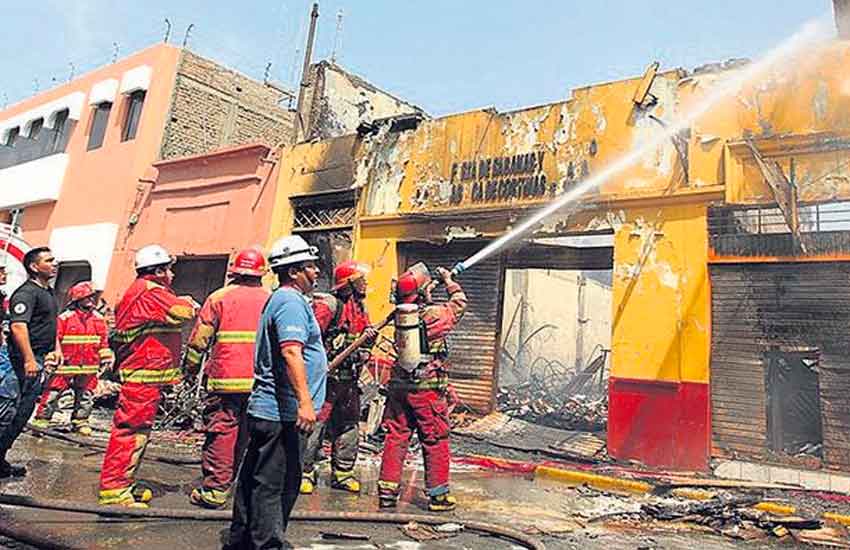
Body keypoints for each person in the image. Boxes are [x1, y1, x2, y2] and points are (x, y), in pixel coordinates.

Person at [227, 235, 327, 550]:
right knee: (277, 483)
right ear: (293, 271)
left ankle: (242, 540)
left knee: (254, 479)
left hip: (269, 409)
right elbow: (291, 352)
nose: (316, 273)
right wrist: (306, 403)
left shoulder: (283, 299)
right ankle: (267, 544)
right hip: (281, 413)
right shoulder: (290, 302)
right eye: (310, 267)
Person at [98, 245, 198, 507]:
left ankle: (124, 483)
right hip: (143, 373)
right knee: (132, 431)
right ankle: (115, 490)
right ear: (159, 271)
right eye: (169, 269)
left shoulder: (142, 291)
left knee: (138, 431)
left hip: (143, 372)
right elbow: (182, 312)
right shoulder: (151, 291)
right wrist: (187, 301)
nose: (173, 275)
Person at [183, 248, 270, 509]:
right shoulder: (271, 298)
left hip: (225, 379)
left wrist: (190, 369)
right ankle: (236, 483)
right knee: (247, 432)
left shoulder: (219, 297)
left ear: (235, 271)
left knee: (222, 431)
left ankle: (215, 490)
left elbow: (200, 340)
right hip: (259, 380)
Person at [377, 265, 467, 512]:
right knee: (435, 438)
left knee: (396, 437)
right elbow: (458, 304)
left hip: (399, 389)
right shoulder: (433, 315)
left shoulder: (400, 315)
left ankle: (387, 493)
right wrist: (449, 281)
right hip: (425, 392)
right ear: (421, 291)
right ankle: (438, 496)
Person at [301, 260, 377, 495]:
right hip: (327, 379)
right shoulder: (328, 306)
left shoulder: (361, 308)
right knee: (315, 425)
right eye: (360, 280)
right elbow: (308, 339)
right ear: (349, 284)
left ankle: (343, 473)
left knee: (349, 424)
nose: (365, 284)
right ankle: (304, 472)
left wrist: (368, 340)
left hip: (349, 380)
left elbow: (365, 337)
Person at [0, 247, 59, 478]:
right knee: (7, 412)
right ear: (35, 267)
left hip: (39, 359)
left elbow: (50, 324)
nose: (54, 263)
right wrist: (29, 359)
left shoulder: (49, 293)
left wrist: (56, 348)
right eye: (49, 260)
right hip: (21, 361)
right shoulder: (26, 294)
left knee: (23, 413)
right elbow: (18, 326)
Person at [31, 281, 113, 435]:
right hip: (66, 364)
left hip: (89, 365)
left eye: (92, 297)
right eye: (87, 297)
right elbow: (56, 339)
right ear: (77, 299)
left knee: (86, 395)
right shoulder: (65, 318)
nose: (91, 300)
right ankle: (41, 421)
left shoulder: (98, 319)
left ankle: (80, 422)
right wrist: (53, 359)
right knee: (53, 393)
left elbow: (103, 341)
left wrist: (105, 358)